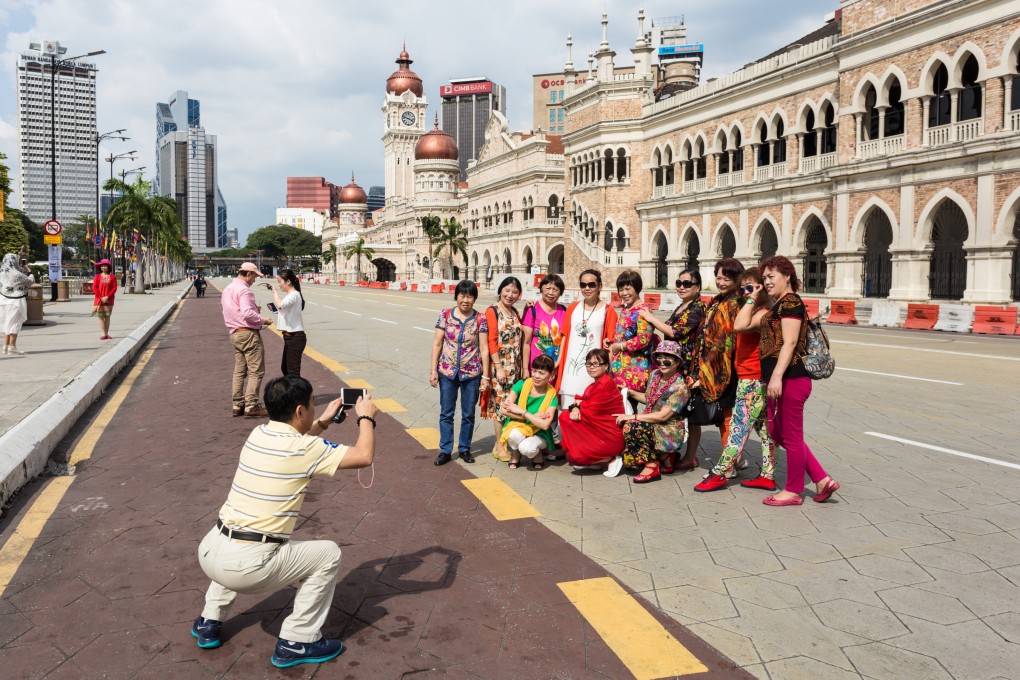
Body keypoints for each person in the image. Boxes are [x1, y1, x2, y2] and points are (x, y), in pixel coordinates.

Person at [191, 375, 378, 668]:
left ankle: (208, 621)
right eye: (312, 406)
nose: (315, 410)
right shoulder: (305, 449)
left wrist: (326, 421)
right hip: (246, 568)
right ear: (300, 412)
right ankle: (297, 641)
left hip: (211, 552)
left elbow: (298, 444)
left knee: (239, 538)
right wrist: (366, 417)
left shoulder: (258, 434)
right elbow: (364, 456)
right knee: (328, 553)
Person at [758, 255, 839, 506]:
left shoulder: (791, 302)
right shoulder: (779, 303)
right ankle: (822, 479)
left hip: (791, 379)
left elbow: (790, 341)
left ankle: (793, 490)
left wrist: (777, 377)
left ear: (788, 276)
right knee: (777, 431)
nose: (767, 282)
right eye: (764, 278)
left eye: (771, 277)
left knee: (791, 435)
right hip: (782, 379)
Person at [695, 268, 777, 492]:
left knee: (737, 430)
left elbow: (738, 326)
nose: (744, 293)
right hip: (749, 376)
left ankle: (720, 472)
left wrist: (751, 299)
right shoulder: (757, 308)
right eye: (742, 289)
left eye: (751, 288)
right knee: (765, 431)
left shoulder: (765, 311)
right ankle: (768, 475)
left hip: (752, 378)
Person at [639, 269, 706, 471]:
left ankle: (690, 456)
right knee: (676, 411)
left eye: (687, 284)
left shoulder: (697, 308)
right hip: (675, 364)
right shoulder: (682, 306)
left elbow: (674, 331)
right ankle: (669, 451)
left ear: (698, 287)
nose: (681, 287)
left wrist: (650, 318)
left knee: (691, 415)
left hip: (690, 368)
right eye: (679, 282)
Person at [430, 280, 490, 466]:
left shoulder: (480, 319)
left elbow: (484, 348)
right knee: (446, 413)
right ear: (456, 296)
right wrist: (433, 370)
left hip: (471, 373)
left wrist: (486, 376)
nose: (466, 300)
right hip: (447, 372)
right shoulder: (445, 315)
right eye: (462, 295)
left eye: (470, 296)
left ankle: (465, 448)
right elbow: (437, 344)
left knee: (468, 414)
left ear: (474, 298)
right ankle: (445, 450)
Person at [615, 341, 690, 483]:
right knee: (626, 423)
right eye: (659, 357)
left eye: (667, 358)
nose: (662, 362)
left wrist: (633, 416)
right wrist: (628, 391)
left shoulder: (680, 387)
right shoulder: (655, 375)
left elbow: (663, 416)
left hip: (669, 430)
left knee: (632, 426)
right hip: (654, 423)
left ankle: (652, 464)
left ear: (677, 362)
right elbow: (648, 399)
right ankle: (665, 457)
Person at [692, 258, 744, 461]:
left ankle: (729, 462)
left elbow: (728, 339)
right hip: (712, 365)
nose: (721, 282)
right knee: (725, 414)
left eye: (726, 278)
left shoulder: (736, 302)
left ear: (737, 279)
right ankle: (734, 459)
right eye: (718, 278)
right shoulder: (719, 300)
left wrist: (709, 370)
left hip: (727, 365)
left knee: (727, 415)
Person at [556, 269, 618, 409]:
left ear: (600, 286)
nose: (587, 288)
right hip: (570, 370)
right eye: (583, 285)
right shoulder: (572, 308)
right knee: (567, 413)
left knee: (588, 414)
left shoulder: (609, 311)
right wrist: (559, 362)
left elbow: (610, 343)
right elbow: (564, 336)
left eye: (591, 285)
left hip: (593, 371)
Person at [559, 348, 625, 473]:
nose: (591, 367)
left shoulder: (605, 384)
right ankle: (598, 459)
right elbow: (579, 401)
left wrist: (577, 407)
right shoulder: (594, 384)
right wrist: (576, 407)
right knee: (572, 456)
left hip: (609, 437)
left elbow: (591, 410)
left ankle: (611, 458)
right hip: (599, 433)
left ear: (606, 366)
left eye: (596, 364)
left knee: (566, 418)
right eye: (588, 364)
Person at [221, 262, 273, 418]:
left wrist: (253, 311)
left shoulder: (228, 289)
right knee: (256, 371)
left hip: (234, 333)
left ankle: (237, 404)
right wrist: (263, 320)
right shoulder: (244, 290)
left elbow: (234, 310)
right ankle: (252, 405)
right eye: (255, 276)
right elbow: (246, 313)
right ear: (249, 274)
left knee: (239, 370)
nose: (255, 280)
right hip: (248, 333)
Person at [483, 276, 524, 462]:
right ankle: (499, 445)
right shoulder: (492, 311)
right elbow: (491, 341)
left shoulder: (515, 311)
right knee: (500, 405)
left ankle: (505, 442)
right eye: (507, 290)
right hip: (500, 365)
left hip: (514, 365)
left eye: (515, 292)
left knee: (511, 403)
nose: (510, 295)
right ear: (500, 290)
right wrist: (498, 367)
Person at [500, 354, 558, 470]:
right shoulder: (522, 384)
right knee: (513, 435)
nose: (536, 376)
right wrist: (531, 417)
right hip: (518, 425)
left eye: (541, 373)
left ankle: (537, 453)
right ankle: (516, 453)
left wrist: (522, 412)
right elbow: (503, 410)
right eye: (534, 371)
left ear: (551, 376)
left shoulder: (552, 396)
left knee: (526, 448)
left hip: (540, 432)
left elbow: (545, 425)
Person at [608, 270, 654, 393]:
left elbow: (643, 339)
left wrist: (620, 345)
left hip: (633, 369)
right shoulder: (626, 309)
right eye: (621, 289)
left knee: (628, 407)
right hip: (620, 367)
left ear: (637, 288)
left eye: (628, 289)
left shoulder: (643, 310)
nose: (624, 293)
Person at [521, 274, 566, 377]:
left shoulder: (564, 311)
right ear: (541, 289)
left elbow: (565, 339)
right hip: (536, 368)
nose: (551, 293)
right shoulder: (532, 309)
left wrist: (558, 364)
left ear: (560, 293)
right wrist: (525, 369)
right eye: (547, 288)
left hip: (556, 368)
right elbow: (526, 343)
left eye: (555, 290)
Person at [271, 268, 306, 377]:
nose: (279, 285)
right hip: (290, 336)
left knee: (292, 372)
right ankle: (299, 393)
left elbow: (280, 305)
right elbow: (283, 310)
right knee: (286, 369)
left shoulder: (294, 295)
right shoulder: (291, 295)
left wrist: (275, 292)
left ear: (288, 281)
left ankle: (303, 393)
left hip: (295, 337)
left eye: (280, 282)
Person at [0, 253, 34, 356]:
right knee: (15, 323)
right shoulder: (16, 274)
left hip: (3, 300)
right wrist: (29, 272)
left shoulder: (1, 273)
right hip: (15, 301)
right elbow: (30, 282)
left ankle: (5, 347)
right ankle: (13, 347)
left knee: (7, 323)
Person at [91, 259, 118, 340]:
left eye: (105, 266)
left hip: (109, 300)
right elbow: (94, 288)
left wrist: (107, 297)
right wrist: (101, 297)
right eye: (102, 266)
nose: (103, 267)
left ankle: (106, 333)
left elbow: (114, 288)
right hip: (99, 299)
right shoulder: (97, 277)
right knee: (100, 316)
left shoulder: (113, 277)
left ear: (108, 267)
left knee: (107, 316)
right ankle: (103, 334)